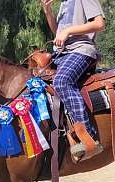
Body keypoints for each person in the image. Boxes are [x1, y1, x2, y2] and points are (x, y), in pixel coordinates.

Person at [41, 0, 106, 161]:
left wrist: (68, 31)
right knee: (35, 81)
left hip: (80, 50)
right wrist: (47, 11)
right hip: (62, 53)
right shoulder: (64, 3)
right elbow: (58, 32)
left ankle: (89, 137)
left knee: (62, 82)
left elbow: (99, 24)